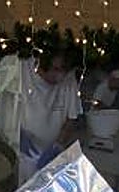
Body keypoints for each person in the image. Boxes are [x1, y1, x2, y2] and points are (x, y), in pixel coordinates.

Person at [18, 51, 85, 183]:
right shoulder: (23, 70)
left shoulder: (68, 80)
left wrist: (58, 145)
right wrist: (17, 133)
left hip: (52, 155)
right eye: (55, 69)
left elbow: (71, 118)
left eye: (63, 70)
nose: (60, 75)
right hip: (25, 155)